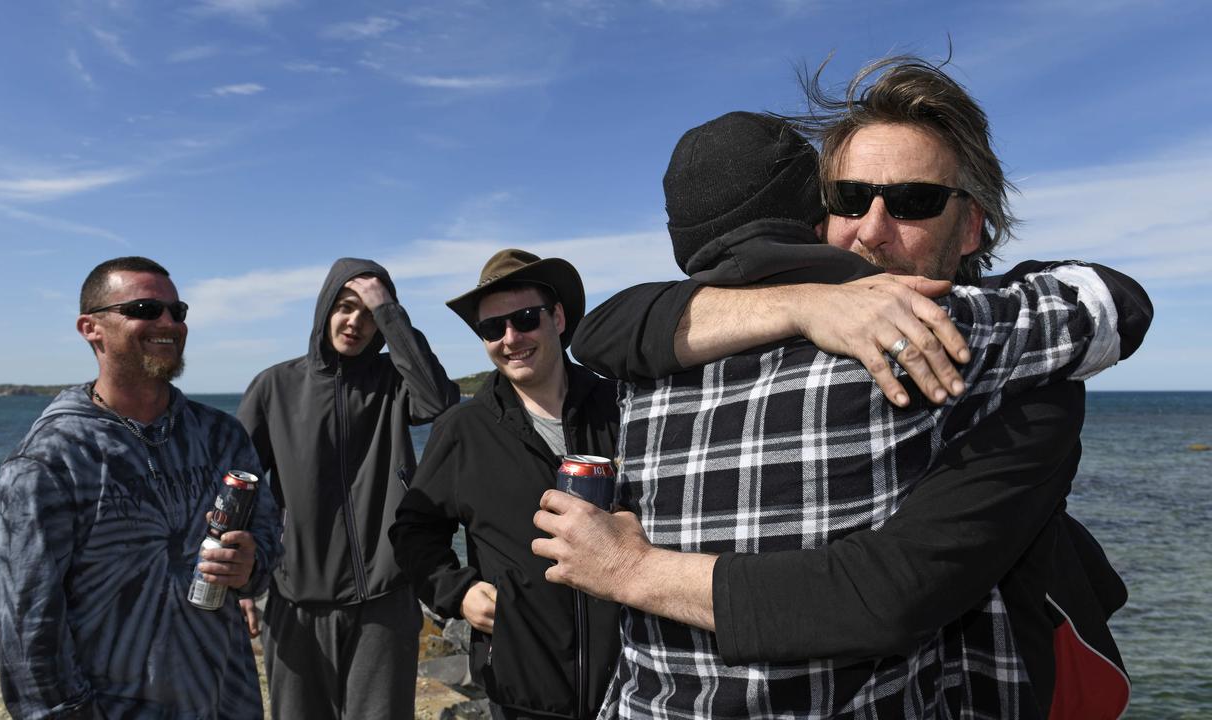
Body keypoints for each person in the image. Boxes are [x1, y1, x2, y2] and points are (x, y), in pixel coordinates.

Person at [535, 60, 1148, 718]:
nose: (872, 229)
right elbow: (605, 330)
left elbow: (887, 597)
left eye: (914, 202)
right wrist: (800, 305)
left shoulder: (1022, 378)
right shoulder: (742, 340)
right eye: (849, 199)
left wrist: (632, 570)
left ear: (970, 226)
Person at [0, 256, 282, 719]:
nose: (168, 322)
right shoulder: (53, 458)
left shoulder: (221, 435)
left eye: (176, 311)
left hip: (229, 700)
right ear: (91, 328)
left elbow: (266, 553)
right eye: (145, 308)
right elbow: (24, 625)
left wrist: (250, 565)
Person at [389, 249, 621, 720]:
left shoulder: (620, 405)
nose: (510, 339)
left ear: (557, 317)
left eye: (525, 319)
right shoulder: (463, 429)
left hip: (632, 679)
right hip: (521, 689)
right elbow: (414, 529)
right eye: (492, 329)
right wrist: (459, 592)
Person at [235, 258, 459, 719]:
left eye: (369, 312)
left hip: (384, 601)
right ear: (324, 310)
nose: (355, 322)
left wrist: (391, 311)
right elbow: (240, 488)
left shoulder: (393, 383)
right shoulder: (275, 387)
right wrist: (242, 583)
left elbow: (438, 401)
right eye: (344, 307)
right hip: (295, 600)